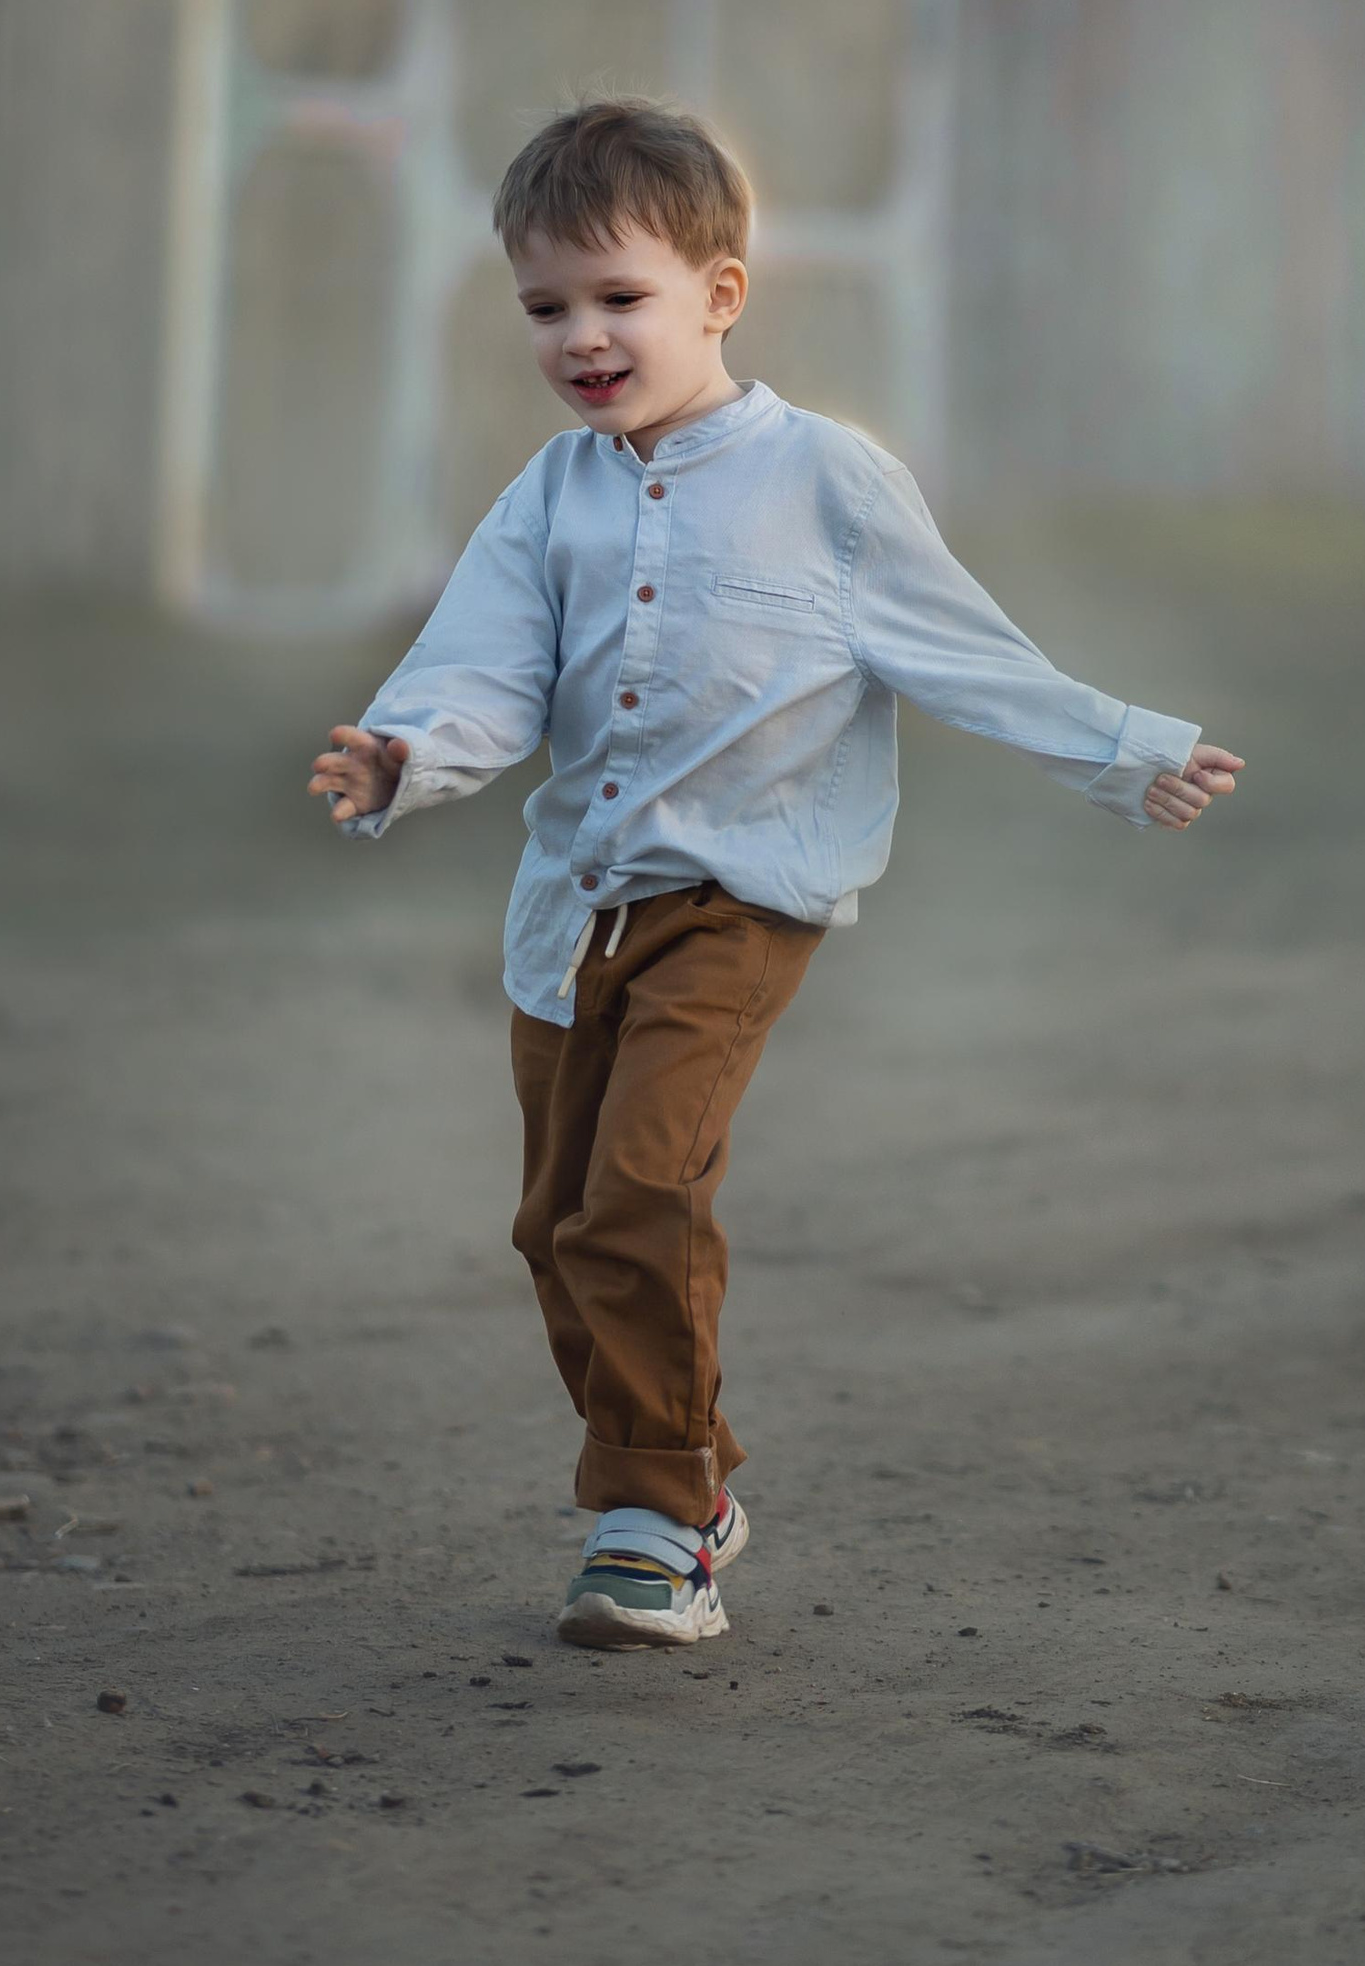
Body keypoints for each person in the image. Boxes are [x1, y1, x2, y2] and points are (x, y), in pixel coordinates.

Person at [308, 99, 1241, 1652]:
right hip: (571, 909)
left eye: (621, 299)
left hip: (738, 901)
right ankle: (685, 1478)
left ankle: (657, 1524)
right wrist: (409, 757)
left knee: (643, 1188)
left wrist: (1124, 749)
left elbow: (962, 649)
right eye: (548, 307)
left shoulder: (826, 480)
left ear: (719, 295)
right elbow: (479, 670)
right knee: (556, 1228)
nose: (582, 338)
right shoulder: (547, 497)